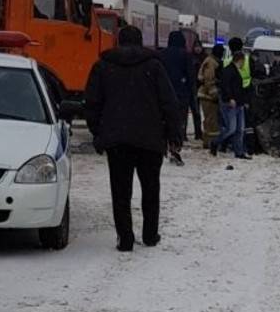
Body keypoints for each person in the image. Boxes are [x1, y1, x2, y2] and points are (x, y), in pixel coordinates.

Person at [85, 25, 182, 252]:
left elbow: (92, 104)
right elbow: (169, 103)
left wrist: (98, 132)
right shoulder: (154, 66)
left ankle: (125, 238)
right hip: (150, 139)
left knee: (120, 191)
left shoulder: (103, 67)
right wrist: (173, 134)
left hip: (117, 140)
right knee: (150, 189)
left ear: (118, 41)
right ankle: (149, 234)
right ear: (140, 42)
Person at [211, 52, 251, 159]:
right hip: (230, 104)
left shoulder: (234, 71)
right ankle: (215, 142)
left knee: (239, 129)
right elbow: (225, 86)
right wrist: (230, 98)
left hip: (238, 103)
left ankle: (239, 152)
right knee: (231, 129)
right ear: (240, 60)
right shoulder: (228, 71)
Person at [160, 30, 192, 158]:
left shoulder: (161, 54)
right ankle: (175, 146)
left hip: (163, 94)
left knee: (163, 120)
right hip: (180, 95)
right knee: (178, 122)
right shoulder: (186, 55)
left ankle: (163, 145)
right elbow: (190, 76)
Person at [197, 44, 224, 149]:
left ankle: (209, 141)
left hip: (207, 94)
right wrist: (214, 94)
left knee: (210, 119)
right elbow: (209, 80)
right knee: (211, 120)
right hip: (208, 96)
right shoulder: (211, 63)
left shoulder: (210, 61)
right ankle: (209, 143)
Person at [189, 41, 206, 142]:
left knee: (203, 112)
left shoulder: (204, 58)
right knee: (196, 111)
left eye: (199, 47)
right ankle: (198, 132)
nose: (197, 49)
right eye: (196, 47)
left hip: (203, 87)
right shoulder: (190, 57)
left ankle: (199, 132)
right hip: (194, 87)